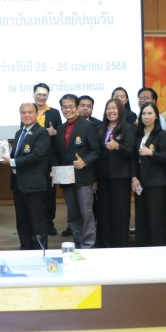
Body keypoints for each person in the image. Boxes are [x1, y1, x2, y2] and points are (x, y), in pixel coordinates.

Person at [54, 94, 101, 249]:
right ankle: (78, 243)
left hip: (83, 178)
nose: (68, 110)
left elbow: (96, 151)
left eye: (71, 106)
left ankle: (88, 245)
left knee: (86, 213)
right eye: (64, 107)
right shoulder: (60, 128)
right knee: (73, 214)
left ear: (77, 108)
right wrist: (53, 170)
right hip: (66, 179)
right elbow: (58, 154)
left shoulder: (88, 126)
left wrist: (85, 161)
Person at [4, 103, 51, 250]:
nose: (26, 115)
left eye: (30, 112)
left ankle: (39, 250)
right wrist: (3, 152)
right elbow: (17, 154)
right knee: (22, 219)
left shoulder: (42, 133)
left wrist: (12, 161)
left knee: (37, 220)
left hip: (34, 185)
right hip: (19, 184)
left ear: (36, 114)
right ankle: (25, 247)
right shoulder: (19, 133)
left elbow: (36, 156)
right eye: (23, 112)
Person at [96, 98, 135, 248]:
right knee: (103, 212)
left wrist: (117, 146)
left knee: (119, 213)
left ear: (120, 110)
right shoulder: (101, 128)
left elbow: (130, 151)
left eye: (114, 108)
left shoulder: (127, 128)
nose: (111, 111)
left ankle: (119, 244)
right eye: (108, 108)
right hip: (103, 178)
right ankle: (105, 244)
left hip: (120, 178)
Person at [132, 103, 166, 247]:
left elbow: (164, 157)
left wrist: (151, 153)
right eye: (144, 114)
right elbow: (133, 159)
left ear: (156, 116)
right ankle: (142, 247)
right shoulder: (137, 134)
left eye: (150, 113)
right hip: (139, 182)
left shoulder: (162, 134)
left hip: (156, 183)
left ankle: (157, 247)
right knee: (141, 217)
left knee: (156, 218)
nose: (146, 117)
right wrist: (134, 177)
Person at [33, 82, 62, 235]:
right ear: (33, 95)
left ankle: (49, 222)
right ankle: (37, 223)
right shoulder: (29, 110)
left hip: (50, 159)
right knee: (35, 193)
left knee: (49, 193)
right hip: (32, 159)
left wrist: (55, 132)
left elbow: (60, 135)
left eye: (44, 95)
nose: (41, 97)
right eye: (39, 94)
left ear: (48, 96)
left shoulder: (54, 113)